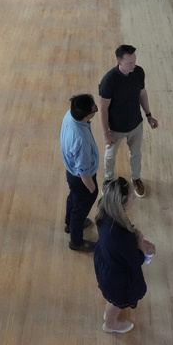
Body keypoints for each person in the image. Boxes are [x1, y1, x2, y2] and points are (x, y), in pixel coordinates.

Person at [94, 177, 155, 334]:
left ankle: (110, 310)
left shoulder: (104, 206)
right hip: (116, 277)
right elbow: (135, 260)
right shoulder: (121, 237)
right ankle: (111, 323)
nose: (135, 197)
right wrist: (141, 246)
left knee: (113, 298)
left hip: (106, 261)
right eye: (132, 195)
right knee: (117, 302)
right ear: (123, 204)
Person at [99, 45, 158, 198]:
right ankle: (108, 180)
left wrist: (149, 115)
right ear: (119, 62)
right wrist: (106, 132)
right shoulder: (108, 81)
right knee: (110, 155)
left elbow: (142, 94)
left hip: (135, 124)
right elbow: (103, 109)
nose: (134, 65)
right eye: (130, 62)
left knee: (136, 153)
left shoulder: (138, 72)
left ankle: (136, 178)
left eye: (134, 60)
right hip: (116, 128)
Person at [60, 93, 100, 252]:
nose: (95, 109)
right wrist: (92, 189)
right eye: (94, 108)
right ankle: (76, 241)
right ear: (86, 117)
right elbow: (84, 171)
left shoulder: (70, 114)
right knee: (80, 209)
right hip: (81, 178)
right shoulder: (81, 140)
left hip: (71, 173)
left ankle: (69, 223)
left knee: (74, 197)